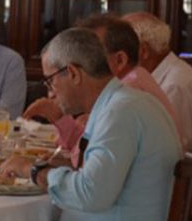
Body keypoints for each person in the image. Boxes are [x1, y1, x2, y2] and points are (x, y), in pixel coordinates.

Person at [0, 28, 182, 221]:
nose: (50, 92)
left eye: (50, 81)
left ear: (72, 72)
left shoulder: (121, 112)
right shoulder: (123, 103)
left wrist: (35, 171)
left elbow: (92, 193)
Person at [24, 15, 182, 167]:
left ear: (120, 60)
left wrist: (37, 173)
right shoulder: (128, 86)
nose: (84, 62)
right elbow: (86, 156)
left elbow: (91, 184)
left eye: (93, 54)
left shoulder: (127, 95)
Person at [123, 11, 192, 157]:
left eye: (122, 50)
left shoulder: (176, 86)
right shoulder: (161, 78)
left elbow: (165, 149)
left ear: (143, 51)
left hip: (175, 176)